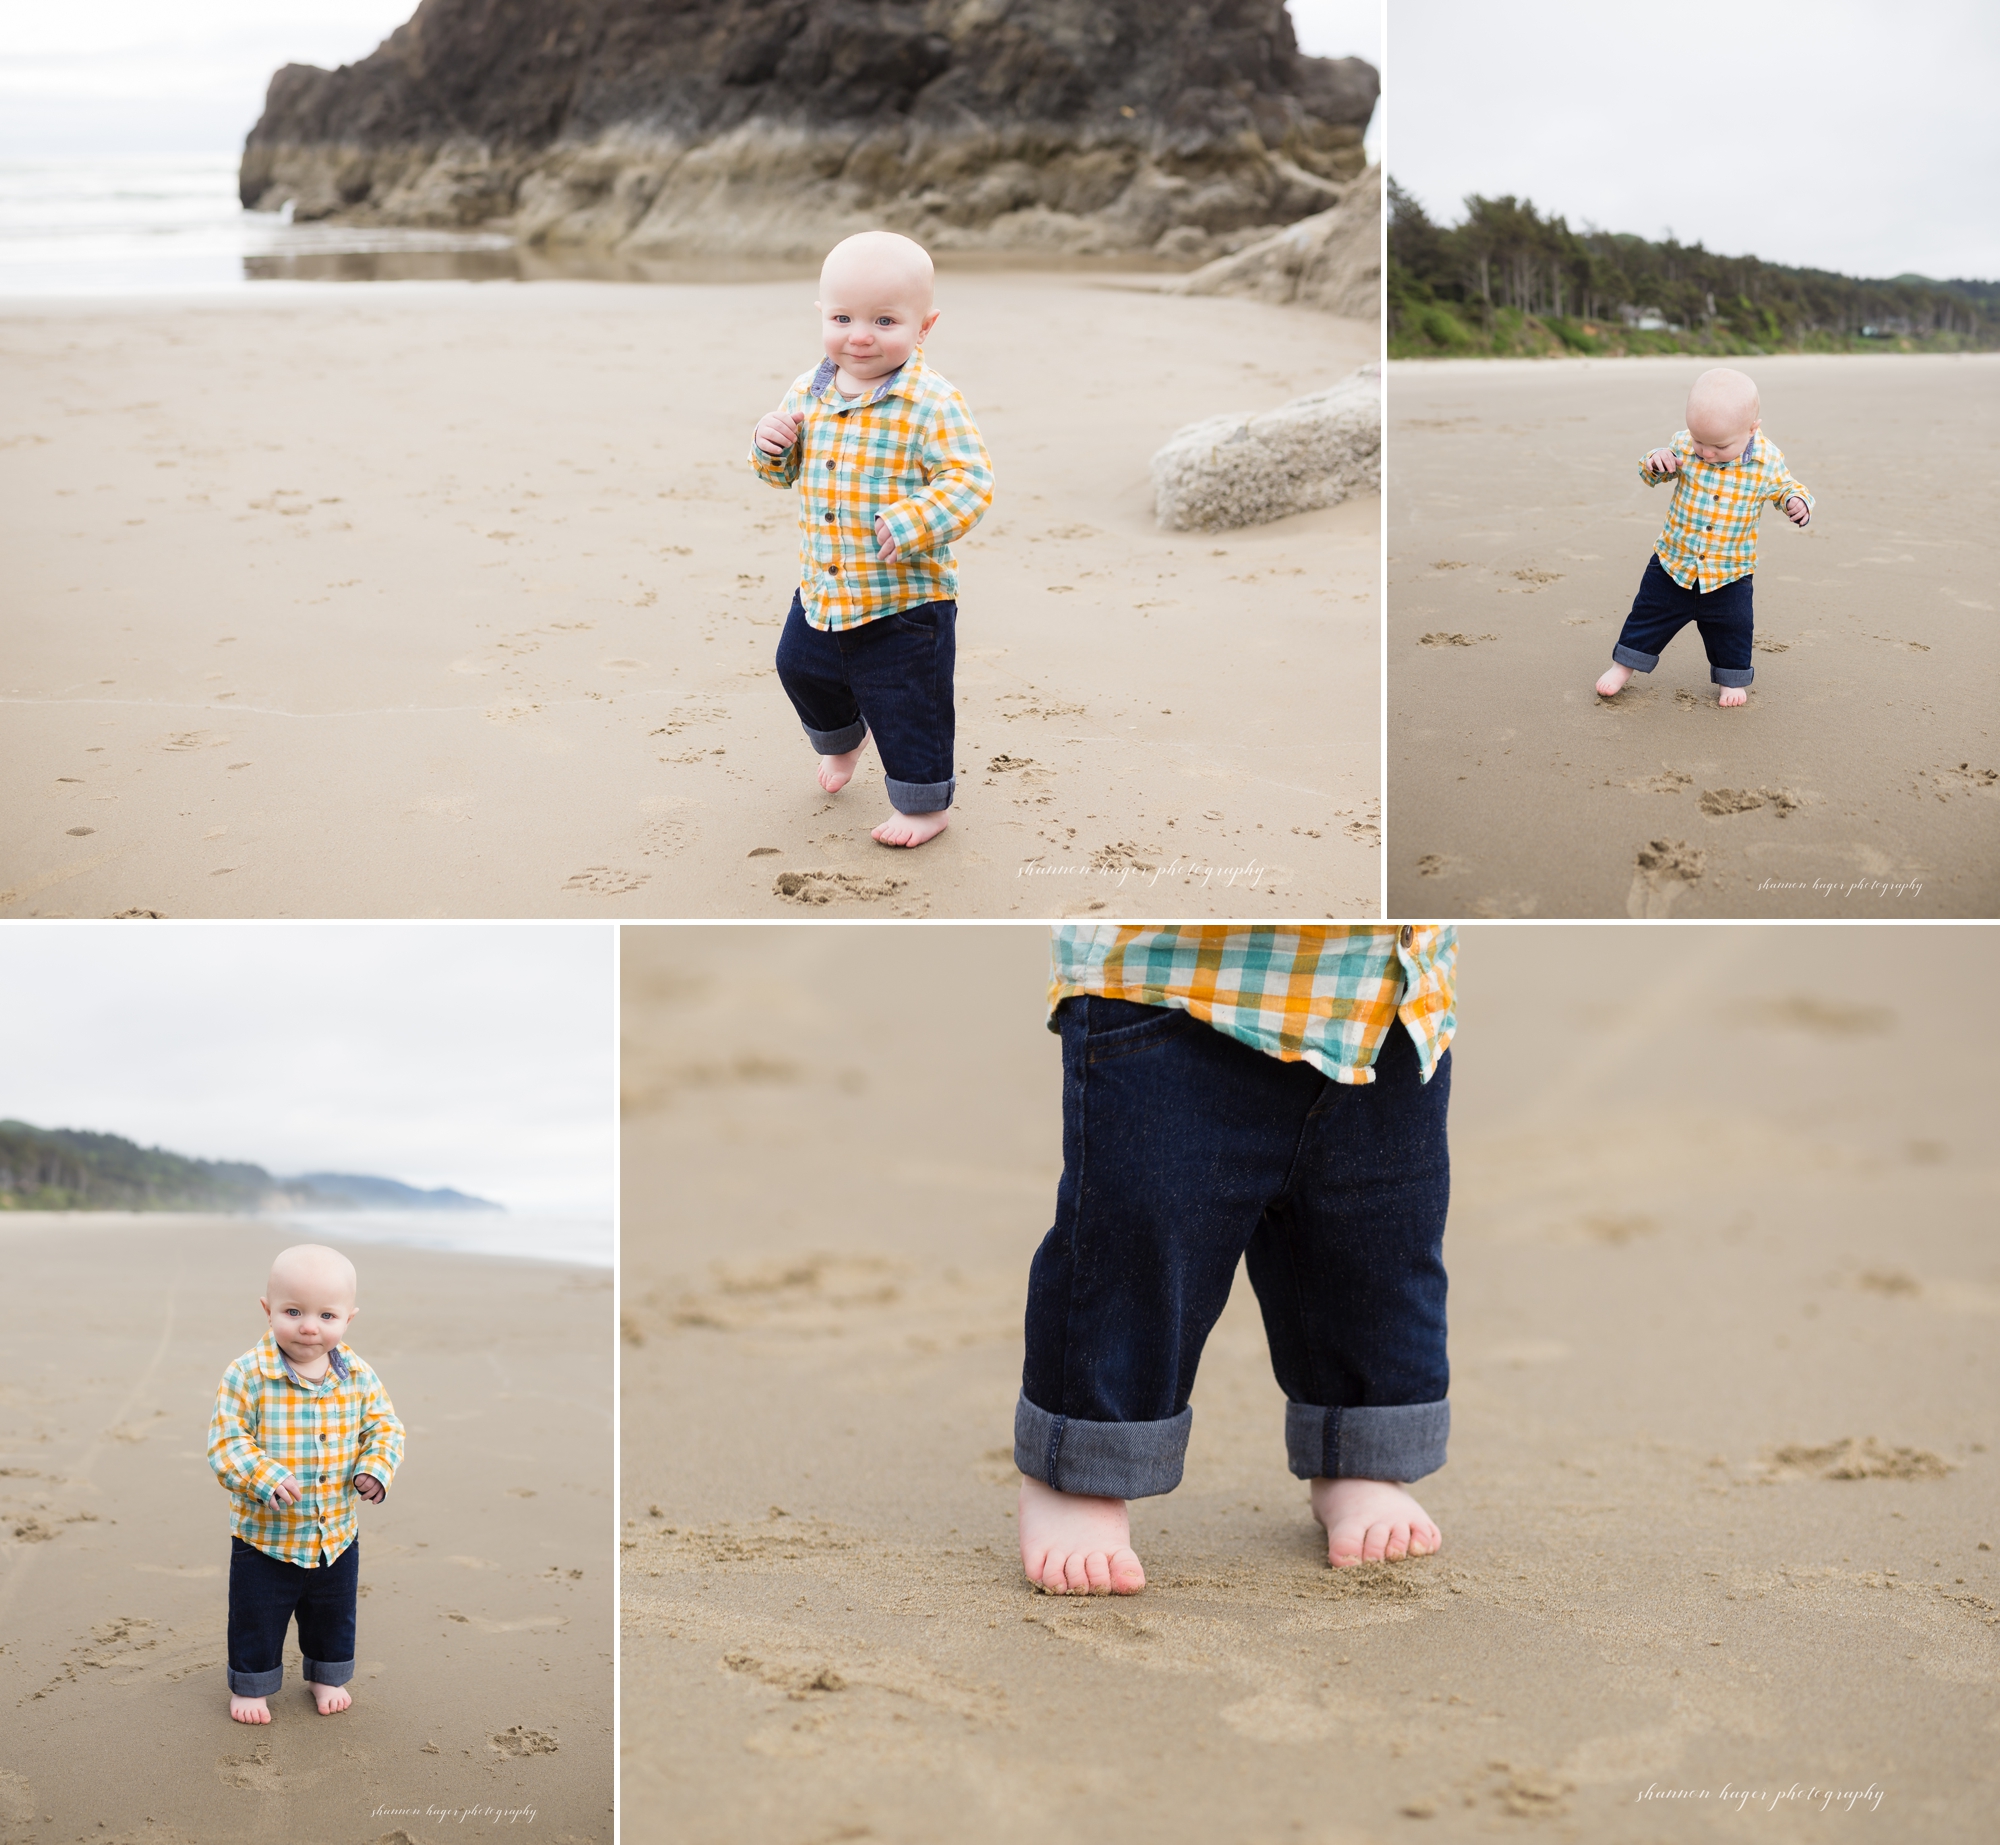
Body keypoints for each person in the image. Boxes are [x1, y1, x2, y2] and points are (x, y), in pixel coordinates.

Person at [1014, 924, 1457, 1595]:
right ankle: (1083, 1465)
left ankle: (1360, 1450)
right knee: (1137, 1234)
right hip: (1178, 990)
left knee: (1377, 1246)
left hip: (1380, 998)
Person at [751, 230, 994, 847]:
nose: (860, 335)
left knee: (910, 704)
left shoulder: (931, 400)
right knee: (798, 667)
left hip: (905, 600)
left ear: (924, 326)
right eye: (843, 318)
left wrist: (916, 520)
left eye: (884, 320)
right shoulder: (808, 390)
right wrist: (772, 445)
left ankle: (923, 806)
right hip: (826, 584)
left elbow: (969, 479)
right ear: (822, 316)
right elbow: (781, 473)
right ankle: (842, 741)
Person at [208, 1243, 404, 1722]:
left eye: (327, 1315)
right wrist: (265, 1476)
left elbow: (384, 1427)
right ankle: (252, 1686)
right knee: (257, 1616)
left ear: (348, 1319)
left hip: (334, 1533)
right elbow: (226, 1441)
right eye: (293, 1311)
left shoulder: (357, 1375)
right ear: (267, 1309)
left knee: (332, 1615)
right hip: (265, 1538)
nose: (309, 1326)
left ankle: (326, 1675)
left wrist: (375, 1468)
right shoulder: (247, 1375)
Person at [1595, 366, 1813, 708]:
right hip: (1674, 563)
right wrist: (1657, 460)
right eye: (1699, 441)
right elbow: (1651, 474)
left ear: (1752, 429)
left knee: (1733, 628)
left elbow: (1786, 487)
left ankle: (1731, 680)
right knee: (1646, 616)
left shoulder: (1766, 460)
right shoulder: (1684, 444)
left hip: (1729, 571)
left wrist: (1795, 502)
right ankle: (1623, 667)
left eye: (1718, 445)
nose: (1705, 452)